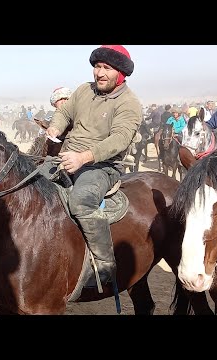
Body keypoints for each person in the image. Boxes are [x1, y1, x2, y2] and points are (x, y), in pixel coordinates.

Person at [45, 45, 142, 289]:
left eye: (106, 68)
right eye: (97, 67)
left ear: (121, 73)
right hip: (67, 157)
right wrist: (56, 127)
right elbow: (64, 113)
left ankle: (104, 265)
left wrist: (83, 157)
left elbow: (119, 139)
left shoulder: (129, 103)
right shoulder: (83, 90)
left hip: (103, 165)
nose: (99, 73)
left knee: (81, 200)